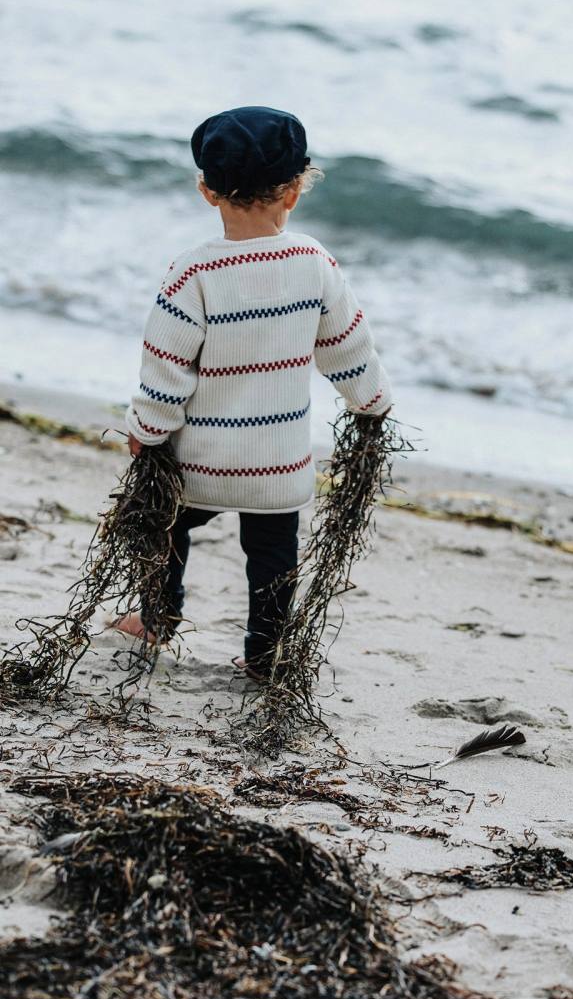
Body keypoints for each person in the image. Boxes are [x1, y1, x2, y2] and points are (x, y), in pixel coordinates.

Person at [114, 106, 392, 680]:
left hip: (201, 461)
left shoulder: (191, 276)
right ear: (294, 192)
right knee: (272, 559)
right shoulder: (314, 264)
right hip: (279, 462)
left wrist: (146, 432)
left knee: (163, 527)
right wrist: (372, 404)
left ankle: (158, 619)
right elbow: (347, 347)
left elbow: (165, 368)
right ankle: (266, 656)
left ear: (207, 191)